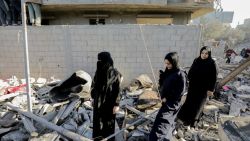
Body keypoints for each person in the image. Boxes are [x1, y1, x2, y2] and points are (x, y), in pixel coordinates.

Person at [177, 46, 217, 128]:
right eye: (202, 53)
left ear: (209, 54)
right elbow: (191, 71)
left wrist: (211, 89)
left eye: (206, 53)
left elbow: (213, 77)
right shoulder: (196, 60)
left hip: (203, 88)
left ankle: (193, 122)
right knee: (190, 102)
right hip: (193, 86)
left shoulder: (212, 63)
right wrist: (188, 80)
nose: (204, 55)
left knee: (198, 105)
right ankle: (183, 119)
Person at [149, 52, 186, 141]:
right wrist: (161, 77)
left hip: (172, 104)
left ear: (174, 62)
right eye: (165, 63)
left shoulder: (180, 74)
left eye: (169, 63)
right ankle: (166, 137)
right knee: (166, 123)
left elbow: (180, 92)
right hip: (166, 102)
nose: (167, 65)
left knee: (161, 124)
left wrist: (167, 98)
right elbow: (165, 85)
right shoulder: (169, 71)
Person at [91, 52, 122, 141]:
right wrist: (93, 98)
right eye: (98, 60)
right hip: (98, 103)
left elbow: (118, 90)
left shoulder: (115, 73)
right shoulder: (98, 72)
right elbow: (94, 85)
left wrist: (116, 104)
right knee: (97, 124)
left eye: (101, 60)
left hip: (109, 104)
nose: (99, 62)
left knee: (108, 124)